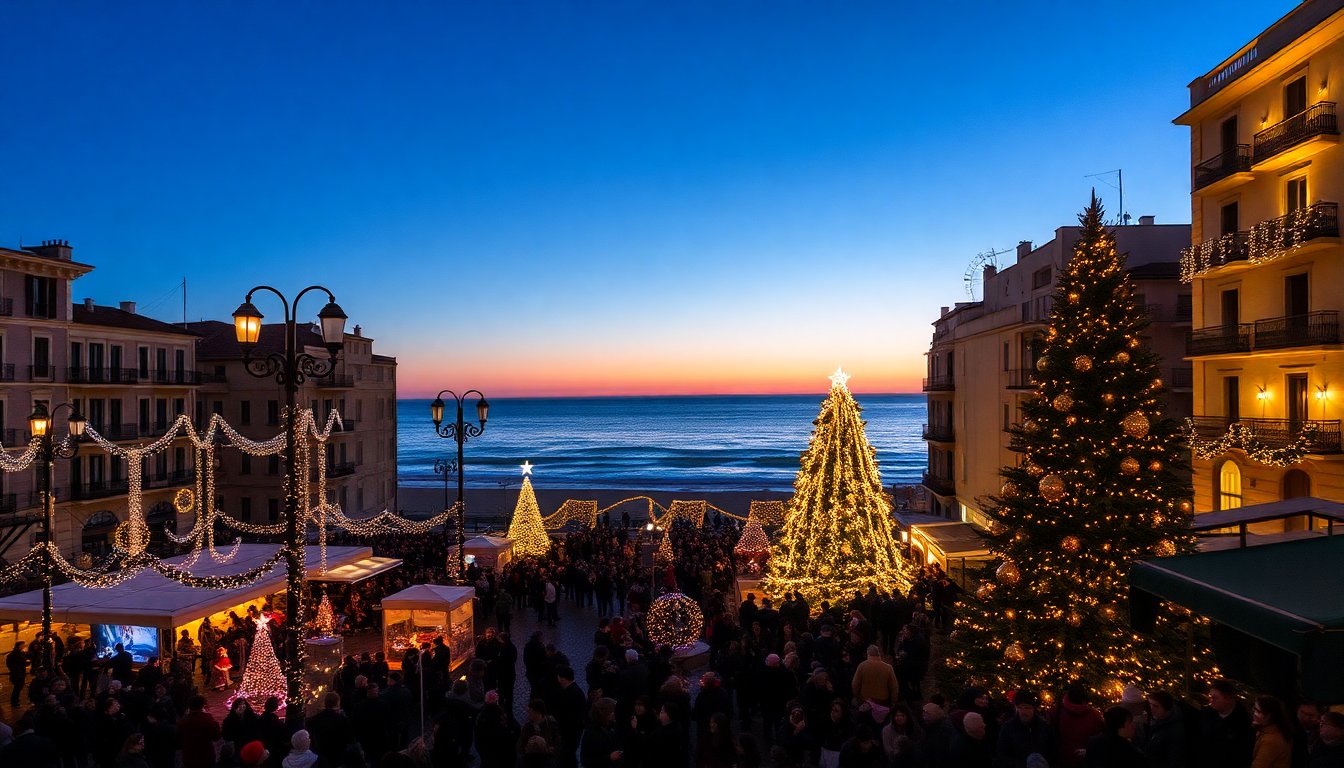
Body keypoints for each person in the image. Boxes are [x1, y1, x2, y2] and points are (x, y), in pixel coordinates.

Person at [1198, 680, 1253, 768]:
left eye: (1215, 698)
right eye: (1210, 696)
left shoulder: (1243, 722)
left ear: (1228, 698)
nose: (1211, 700)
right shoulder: (1207, 713)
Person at [997, 690, 1056, 768]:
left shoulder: (1044, 727)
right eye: (1020, 707)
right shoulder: (1008, 728)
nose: (1023, 711)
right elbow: (1002, 754)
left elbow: (1053, 751)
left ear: (1033, 708)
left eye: (1027, 707)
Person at [1056, 684, 1105, 768]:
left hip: (1063, 759)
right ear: (1084, 700)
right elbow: (1100, 738)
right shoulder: (1095, 715)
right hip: (1087, 760)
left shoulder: (1056, 712)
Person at [850, 645, 900, 720]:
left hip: (866, 700)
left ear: (868, 654)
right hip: (882, 701)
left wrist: (857, 696)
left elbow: (855, 684)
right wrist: (893, 701)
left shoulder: (862, 666)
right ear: (879, 654)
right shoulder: (888, 668)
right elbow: (894, 687)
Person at [1142, 690, 1187, 768]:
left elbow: (1174, 759)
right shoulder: (1156, 720)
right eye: (1150, 705)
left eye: (1156, 706)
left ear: (1167, 708)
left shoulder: (1174, 730)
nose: (1151, 709)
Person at [177, 695, 222, 768]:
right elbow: (216, 736)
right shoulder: (206, 718)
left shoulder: (182, 721)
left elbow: (178, 742)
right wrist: (215, 724)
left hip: (189, 757)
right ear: (202, 706)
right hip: (205, 756)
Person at [1251, 695, 1292, 768]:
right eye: (1254, 709)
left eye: (1258, 711)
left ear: (1269, 716)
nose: (1254, 713)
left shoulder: (1272, 740)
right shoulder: (1265, 731)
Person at [580, 698, 623, 768]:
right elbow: (585, 760)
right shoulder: (591, 733)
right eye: (612, 711)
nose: (615, 714)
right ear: (605, 713)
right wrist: (609, 758)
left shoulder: (612, 728)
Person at [6, 640, 26, 708]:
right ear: (19, 646)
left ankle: (15, 700)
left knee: (18, 688)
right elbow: (12, 663)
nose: (24, 646)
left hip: (19, 673)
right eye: (23, 645)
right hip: (18, 674)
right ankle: (14, 702)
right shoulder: (15, 654)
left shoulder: (19, 653)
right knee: (17, 688)